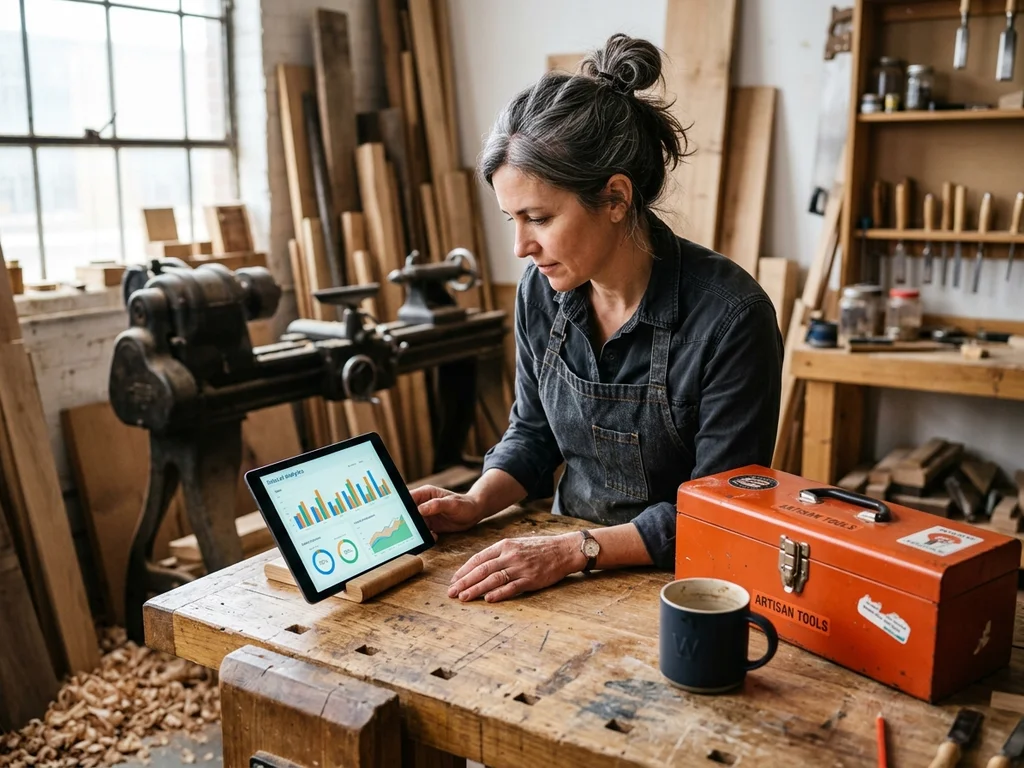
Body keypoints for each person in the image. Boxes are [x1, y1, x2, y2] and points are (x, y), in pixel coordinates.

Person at [411, 33, 784, 604]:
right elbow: (532, 432)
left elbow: (721, 513)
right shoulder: (543, 290)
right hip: (560, 565)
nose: (521, 248)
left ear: (614, 198)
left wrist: (573, 551)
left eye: (537, 217)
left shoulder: (732, 318)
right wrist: (476, 501)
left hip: (685, 584)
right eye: (511, 218)